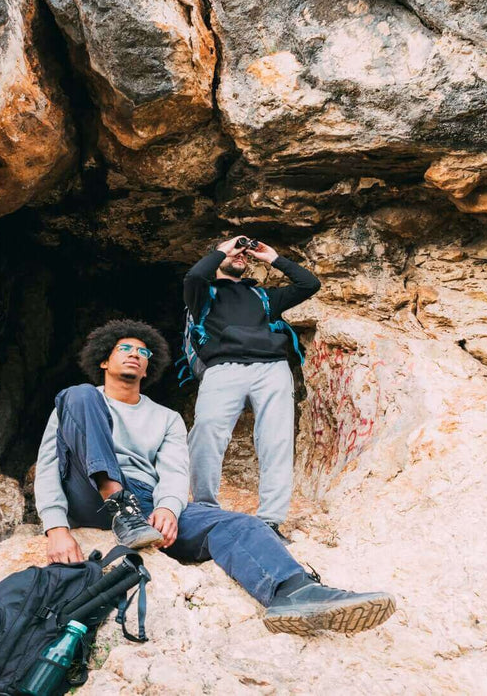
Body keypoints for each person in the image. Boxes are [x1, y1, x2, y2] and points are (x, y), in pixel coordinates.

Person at [34, 319, 395, 635]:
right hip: (89, 494)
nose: (133, 354)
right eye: (123, 348)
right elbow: (50, 464)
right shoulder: (76, 402)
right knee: (77, 395)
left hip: (144, 501)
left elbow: (175, 471)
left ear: (148, 368)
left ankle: (293, 592)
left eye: (142, 352)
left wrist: (170, 509)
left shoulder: (167, 418)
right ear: (103, 360)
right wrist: (56, 529)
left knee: (242, 525)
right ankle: (118, 505)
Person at [184, 236, 321, 543]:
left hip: (271, 367)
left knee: (277, 440)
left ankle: (271, 521)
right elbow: (194, 275)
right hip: (223, 367)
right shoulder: (203, 294)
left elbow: (309, 284)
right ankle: (204, 507)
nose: (241, 256)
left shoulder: (262, 296)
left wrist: (272, 258)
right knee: (206, 431)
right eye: (236, 252)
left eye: (244, 254)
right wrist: (224, 249)